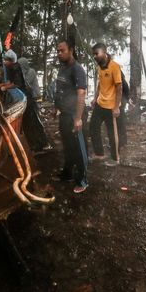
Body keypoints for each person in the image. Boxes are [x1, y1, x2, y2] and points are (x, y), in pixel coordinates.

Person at [0, 50, 50, 152]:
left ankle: (42, 144)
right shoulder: (11, 68)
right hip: (24, 101)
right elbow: (10, 82)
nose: (4, 62)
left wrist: (5, 87)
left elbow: (17, 84)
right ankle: (34, 145)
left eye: (5, 60)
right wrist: (1, 85)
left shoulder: (19, 69)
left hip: (29, 100)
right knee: (27, 124)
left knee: (33, 122)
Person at [54, 40, 89, 194]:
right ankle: (67, 174)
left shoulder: (77, 69)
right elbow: (61, 90)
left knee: (79, 149)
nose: (59, 53)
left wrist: (78, 118)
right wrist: (57, 108)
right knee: (67, 146)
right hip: (65, 114)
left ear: (71, 50)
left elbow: (81, 94)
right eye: (58, 51)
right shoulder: (63, 68)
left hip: (75, 114)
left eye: (62, 50)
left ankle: (82, 180)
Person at [89, 42, 122, 164]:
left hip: (111, 106)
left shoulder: (115, 66)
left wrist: (117, 107)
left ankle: (115, 158)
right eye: (93, 54)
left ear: (105, 52)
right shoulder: (99, 67)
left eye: (97, 53)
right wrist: (94, 98)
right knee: (93, 127)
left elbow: (119, 88)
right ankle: (99, 153)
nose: (95, 56)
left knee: (112, 133)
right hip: (100, 104)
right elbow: (100, 84)